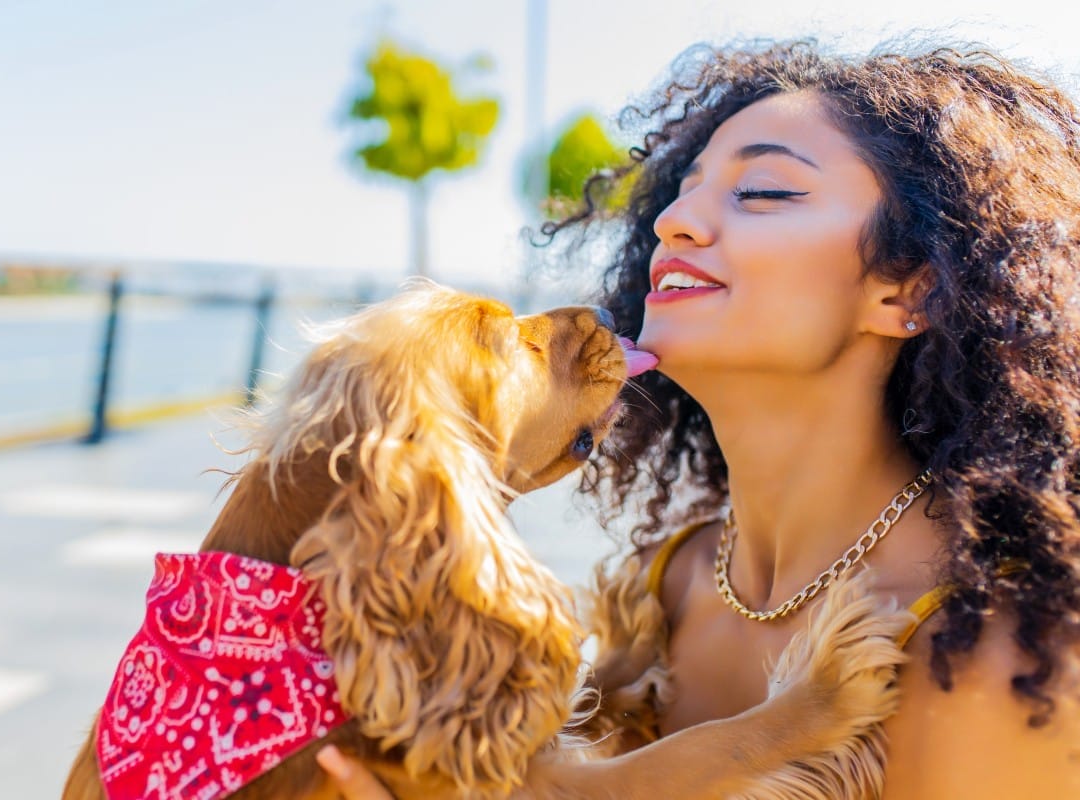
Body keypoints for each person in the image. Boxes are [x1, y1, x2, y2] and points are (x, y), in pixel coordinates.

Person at [322, 37, 1080, 798]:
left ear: (908, 292)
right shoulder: (658, 591)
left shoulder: (994, 655)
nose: (673, 222)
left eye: (764, 192)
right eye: (682, 190)